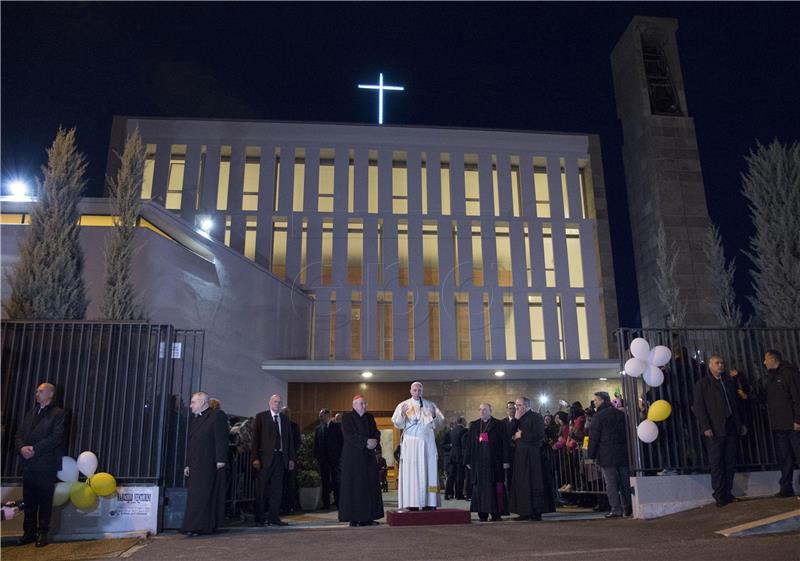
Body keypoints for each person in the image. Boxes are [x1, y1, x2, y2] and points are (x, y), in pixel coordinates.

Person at [14, 382, 66, 547]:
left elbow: (56, 437)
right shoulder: (31, 413)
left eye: (41, 391)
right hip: (28, 464)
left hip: (46, 464)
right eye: (36, 390)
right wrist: (21, 448)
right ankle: (28, 532)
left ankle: (42, 532)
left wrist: (35, 449)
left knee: (44, 499)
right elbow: (19, 434)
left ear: (50, 394)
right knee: (29, 500)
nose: (37, 393)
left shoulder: (59, 414)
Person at [691, 355, 746, 507]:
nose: (721, 365)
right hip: (715, 428)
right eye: (717, 363)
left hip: (731, 426)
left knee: (730, 461)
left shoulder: (728, 382)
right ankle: (719, 494)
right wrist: (706, 427)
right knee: (716, 462)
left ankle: (728, 492)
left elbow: (735, 405)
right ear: (710, 366)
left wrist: (740, 424)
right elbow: (699, 407)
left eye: (722, 363)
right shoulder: (703, 384)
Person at [181, 391, 229, 536]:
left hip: (209, 463)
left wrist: (220, 459)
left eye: (193, 402)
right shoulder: (195, 419)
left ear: (202, 402)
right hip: (196, 464)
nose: (190, 405)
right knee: (195, 497)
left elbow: (221, 438)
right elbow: (192, 443)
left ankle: (201, 526)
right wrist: (187, 464)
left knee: (205, 496)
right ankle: (194, 525)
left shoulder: (217, 416)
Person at [391, 381, 445, 510]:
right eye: (415, 390)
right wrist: (402, 414)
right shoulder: (403, 405)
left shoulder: (430, 404)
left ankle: (430, 501)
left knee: (430, 471)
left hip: (427, 443)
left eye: (419, 390)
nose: (417, 392)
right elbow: (397, 423)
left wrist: (433, 415)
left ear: (422, 391)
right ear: (410, 391)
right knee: (412, 473)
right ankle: (412, 502)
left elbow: (440, 420)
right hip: (411, 444)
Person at [339, 395, 384, 526]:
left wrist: (375, 441)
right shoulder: (347, 418)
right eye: (360, 404)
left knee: (370, 486)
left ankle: (368, 517)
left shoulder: (370, 417)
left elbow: (376, 432)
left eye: (365, 403)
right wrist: (365, 442)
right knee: (355, 487)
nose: (363, 406)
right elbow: (349, 435)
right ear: (354, 405)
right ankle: (355, 518)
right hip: (353, 458)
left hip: (368, 458)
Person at [251, 394, 296, 526]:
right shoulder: (261, 417)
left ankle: (274, 518)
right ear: (270, 403)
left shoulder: (285, 419)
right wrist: (255, 458)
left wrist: (291, 458)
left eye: (279, 402)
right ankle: (259, 519)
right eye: (275, 402)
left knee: (277, 490)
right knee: (262, 489)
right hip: (264, 459)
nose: (277, 404)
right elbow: (255, 440)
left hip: (280, 458)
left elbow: (289, 440)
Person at [509, 396, 555, 521]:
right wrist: (515, 420)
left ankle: (536, 511)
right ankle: (524, 511)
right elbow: (509, 432)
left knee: (534, 482)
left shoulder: (536, 417)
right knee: (522, 483)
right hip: (520, 456)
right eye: (516, 406)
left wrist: (521, 434)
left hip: (533, 456)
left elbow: (539, 434)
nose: (516, 408)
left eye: (519, 405)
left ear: (526, 405)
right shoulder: (517, 418)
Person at [762, 350, 800, 497]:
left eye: (766, 359)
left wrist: (798, 420)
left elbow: (797, 397)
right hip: (779, 425)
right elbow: (768, 397)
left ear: (773, 359)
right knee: (784, 457)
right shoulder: (772, 377)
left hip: (792, 424)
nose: (764, 362)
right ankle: (786, 487)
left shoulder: (789, 374)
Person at [587, 391, 631, 518]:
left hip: (606, 454)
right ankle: (628, 507)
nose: (594, 402)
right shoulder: (621, 414)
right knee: (624, 482)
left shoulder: (598, 416)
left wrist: (591, 454)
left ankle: (615, 509)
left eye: (595, 400)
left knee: (611, 482)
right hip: (622, 453)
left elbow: (594, 437)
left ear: (601, 401)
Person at [464, 403, 511, 522]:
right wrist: (467, 460)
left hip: (494, 463)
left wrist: (506, 460)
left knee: (495, 488)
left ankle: (496, 514)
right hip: (478, 464)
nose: (482, 412)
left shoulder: (499, 424)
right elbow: (469, 444)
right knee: (479, 489)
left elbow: (505, 444)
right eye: (480, 410)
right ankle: (482, 514)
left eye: (485, 410)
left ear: (490, 410)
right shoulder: (474, 425)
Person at [314, 408, 344, 509]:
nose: (320, 418)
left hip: (335, 460)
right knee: (325, 482)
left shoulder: (337, 427)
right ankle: (326, 504)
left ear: (327, 415)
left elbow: (342, 443)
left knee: (337, 481)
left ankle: (338, 502)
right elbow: (316, 445)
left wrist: (341, 457)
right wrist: (317, 458)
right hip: (323, 460)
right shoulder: (318, 428)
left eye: (321, 416)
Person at [280, 406, 302, 514]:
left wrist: (291, 456)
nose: (285, 414)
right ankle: (281, 506)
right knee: (280, 484)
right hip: (279, 460)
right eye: (284, 412)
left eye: (287, 412)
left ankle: (290, 506)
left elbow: (298, 442)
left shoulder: (294, 426)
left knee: (291, 484)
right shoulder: (277, 424)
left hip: (290, 459)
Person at [445, 417, 468, 500]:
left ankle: (447, 493)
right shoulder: (464, 431)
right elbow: (464, 445)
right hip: (460, 456)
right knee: (460, 476)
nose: (466, 422)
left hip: (452, 455)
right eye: (465, 421)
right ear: (462, 422)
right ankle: (459, 494)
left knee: (451, 476)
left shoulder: (453, 431)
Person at [501, 401, 517, 490]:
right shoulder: (502, 423)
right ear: (507, 410)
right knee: (509, 477)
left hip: (519, 453)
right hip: (507, 454)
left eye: (514, 408)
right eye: (510, 408)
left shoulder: (521, 421)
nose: (512, 410)